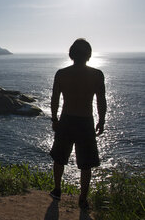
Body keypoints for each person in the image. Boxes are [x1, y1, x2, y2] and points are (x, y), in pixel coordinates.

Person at [49, 38, 107, 209]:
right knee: (86, 163)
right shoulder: (97, 75)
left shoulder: (62, 73)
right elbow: (101, 101)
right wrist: (101, 121)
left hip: (66, 120)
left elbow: (54, 99)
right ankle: (83, 198)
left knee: (59, 158)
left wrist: (54, 119)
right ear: (89, 55)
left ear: (71, 54)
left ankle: (57, 190)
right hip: (86, 121)